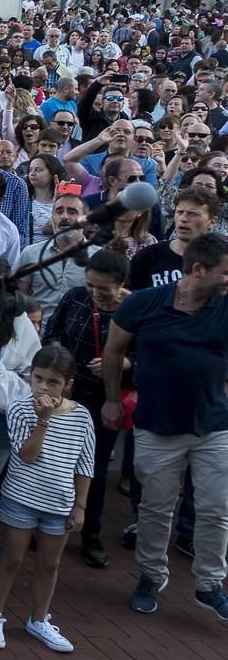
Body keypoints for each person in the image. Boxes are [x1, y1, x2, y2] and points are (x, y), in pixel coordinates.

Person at [101, 232, 228, 620]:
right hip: (156, 426)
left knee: (217, 509)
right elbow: (113, 350)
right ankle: (151, 576)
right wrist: (110, 399)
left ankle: (210, 584)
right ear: (199, 270)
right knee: (155, 509)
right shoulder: (144, 302)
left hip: (214, 427)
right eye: (225, 273)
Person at [0, 346, 95, 653]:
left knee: (49, 564)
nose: (43, 386)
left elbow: (85, 465)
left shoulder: (82, 416)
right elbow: (27, 456)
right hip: (21, 499)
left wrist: (79, 505)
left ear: (68, 383)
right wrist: (43, 420)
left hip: (59, 504)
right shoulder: (19, 409)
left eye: (53, 382)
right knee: (12, 559)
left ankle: (39, 619)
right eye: (38, 378)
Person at [41, 249, 132, 569]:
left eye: (102, 288)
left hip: (103, 400)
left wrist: (124, 362)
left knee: (91, 468)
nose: (94, 293)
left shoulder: (134, 309)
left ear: (120, 284)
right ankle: (46, 523)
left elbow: (148, 353)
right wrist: (60, 363)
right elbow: (52, 333)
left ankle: (90, 533)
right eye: (91, 285)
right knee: (53, 460)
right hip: (65, 394)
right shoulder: (75, 297)